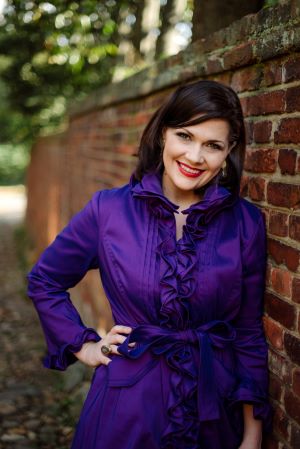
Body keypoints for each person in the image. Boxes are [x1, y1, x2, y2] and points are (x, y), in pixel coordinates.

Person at [26, 80, 272, 449]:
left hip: (213, 410)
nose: (194, 157)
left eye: (213, 145)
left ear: (229, 152)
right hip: (126, 408)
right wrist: (86, 346)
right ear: (163, 135)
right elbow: (45, 280)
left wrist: (251, 435)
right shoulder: (108, 210)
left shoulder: (245, 223)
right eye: (185, 136)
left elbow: (248, 332)